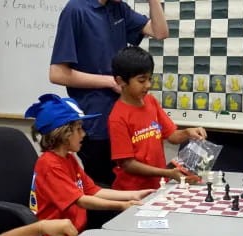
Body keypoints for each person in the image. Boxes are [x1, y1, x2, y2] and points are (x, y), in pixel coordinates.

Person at [49, 0, 169, 187]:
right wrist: (109, 81)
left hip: (126, 116)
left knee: (132, 187)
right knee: (107, 194)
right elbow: (57, 74)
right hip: (97, 124)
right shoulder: (76, 10)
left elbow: (160, 32)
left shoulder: (118, 8)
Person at [25, 93, 154, 236]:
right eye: (79, 129)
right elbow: (81, 201)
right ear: (63, 133)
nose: (83, 134)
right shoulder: (49, 164)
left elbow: (93, 190)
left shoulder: (68, 158)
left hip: (75, 233)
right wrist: (121, 205)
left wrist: (134, 195)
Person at [108, 46, 208, 191]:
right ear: (120, 81)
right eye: (141, 81)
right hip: (133, 191)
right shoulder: (118, 117)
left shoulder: (150, 101)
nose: (148, 85)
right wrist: (168, 173)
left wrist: (188, 132)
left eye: (150, 79)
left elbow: (171, 135)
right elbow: (128, 164)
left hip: (158, 185)